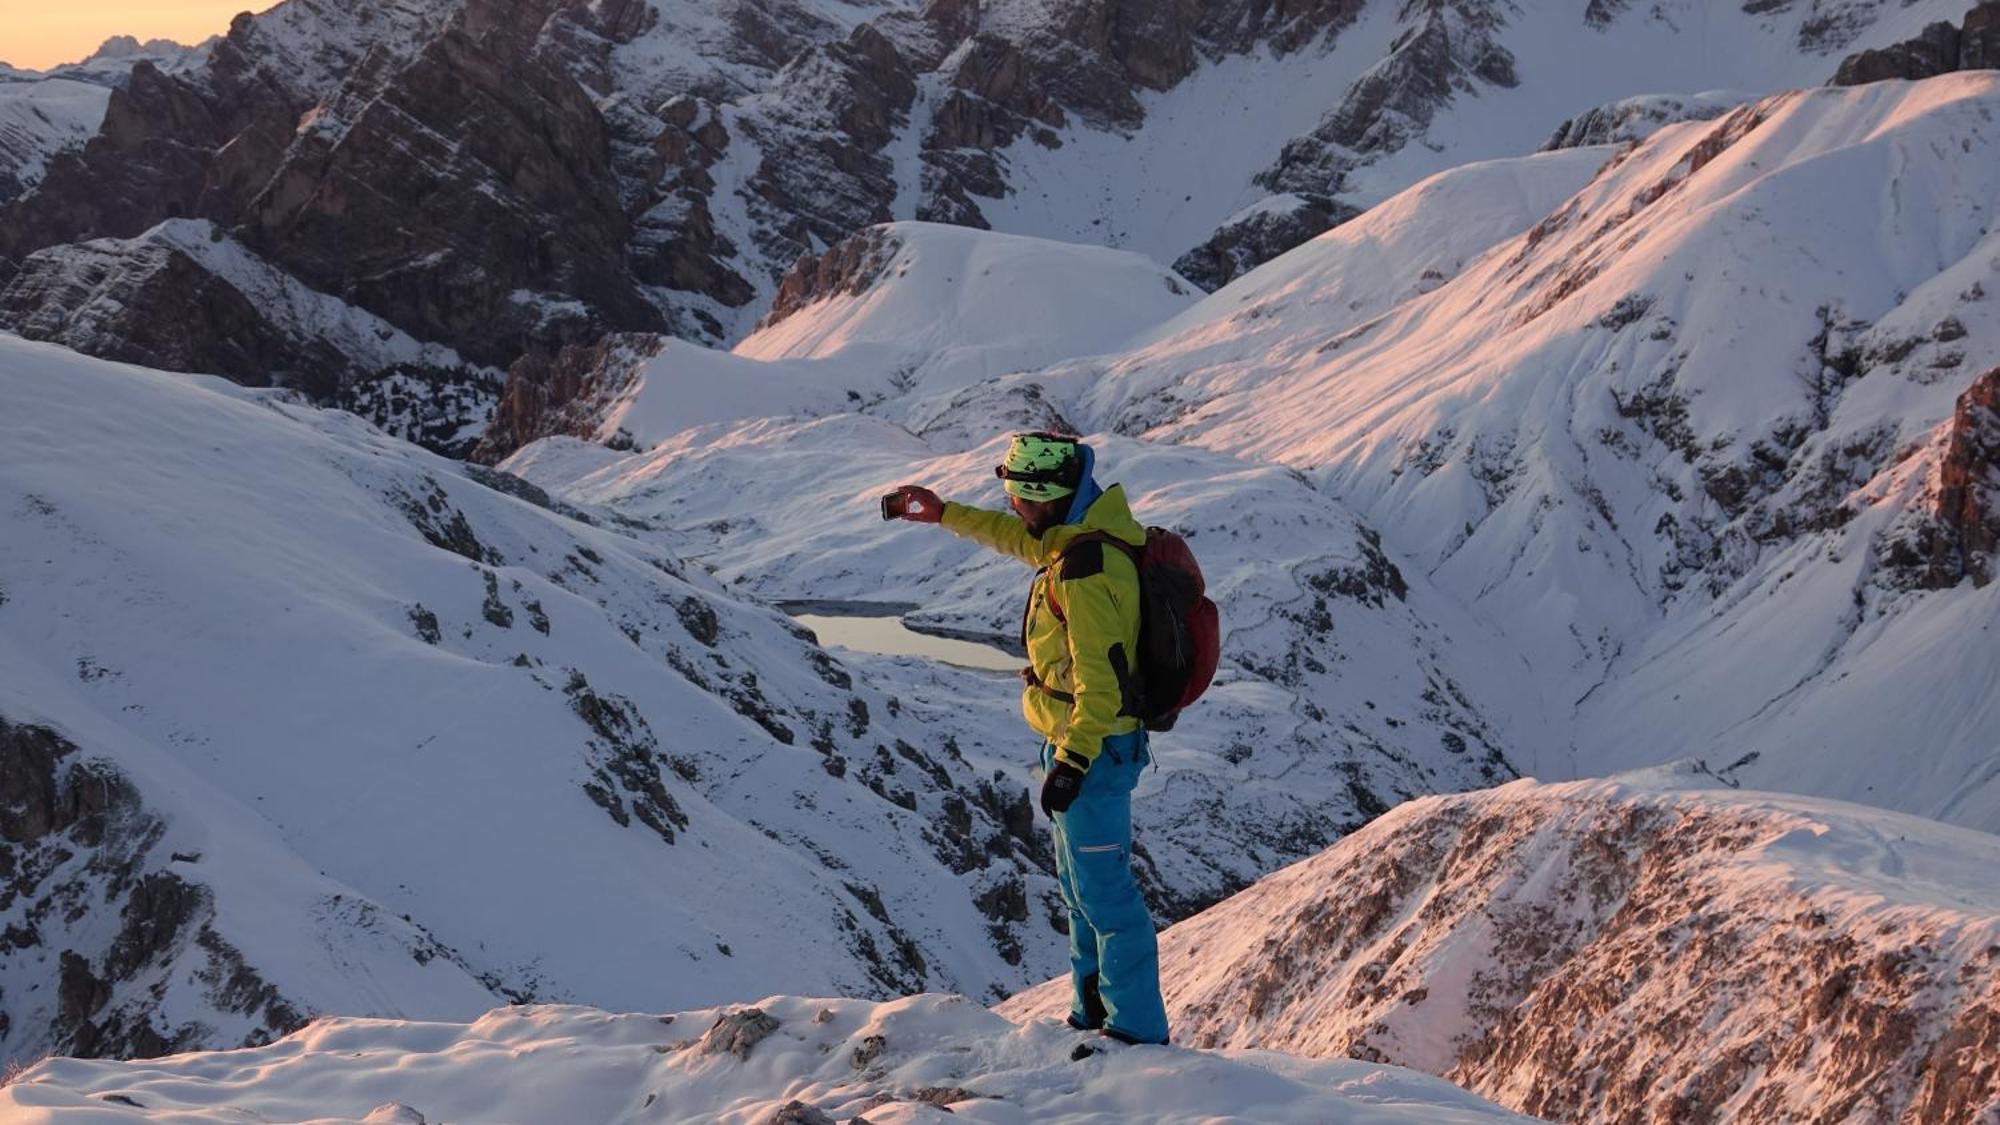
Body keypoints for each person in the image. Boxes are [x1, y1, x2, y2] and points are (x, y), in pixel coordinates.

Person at [886, 432, 1169, 1046]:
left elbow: (1101, 686)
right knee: (1080, 892)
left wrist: (1071, 763)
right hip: (1076, 745)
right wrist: (941, 515)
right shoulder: (1072, 540)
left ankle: (1137, 1035)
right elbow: (1016, 539)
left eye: (1018, 495)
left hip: (1093, 749)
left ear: (1045, 499)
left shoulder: (1088, 571)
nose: (1011, 505)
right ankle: (1090, 1019)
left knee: (1108, 899)